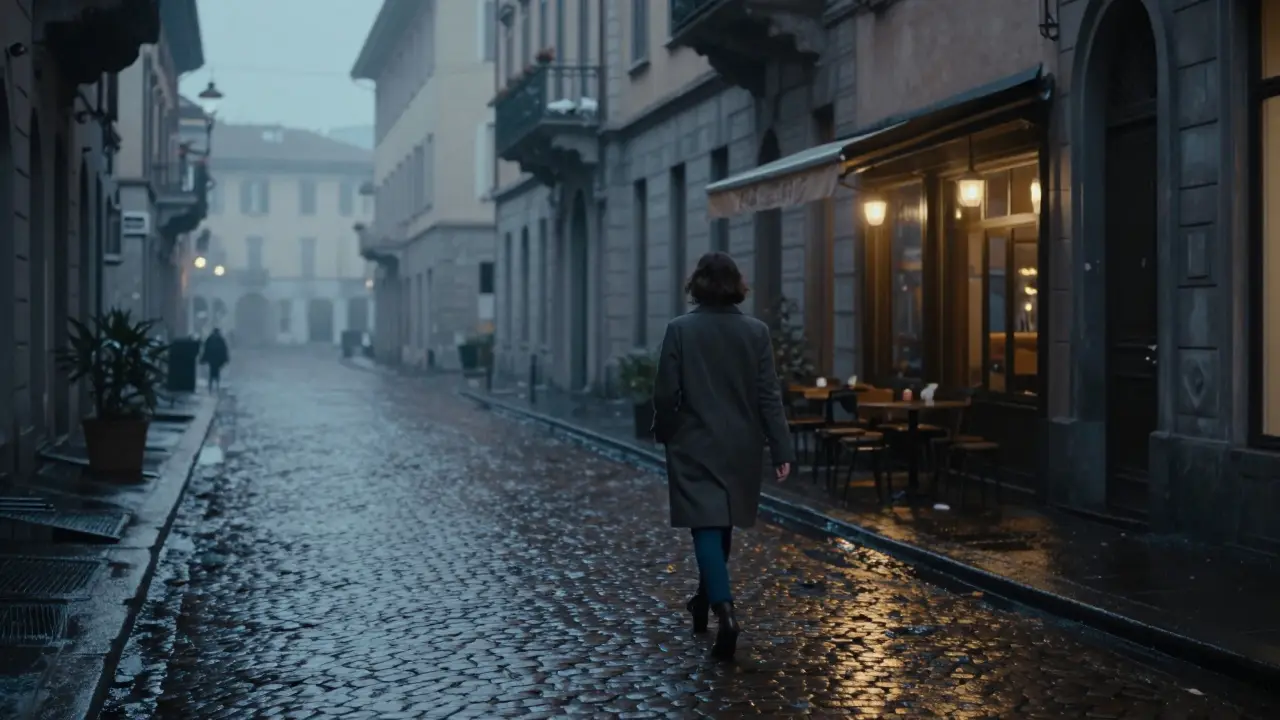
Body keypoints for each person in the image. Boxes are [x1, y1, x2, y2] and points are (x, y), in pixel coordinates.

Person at [651, 251, 794, 660]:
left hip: (694, 443)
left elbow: (664, 392)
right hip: (742, 445)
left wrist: (667, 431)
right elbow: (769, 395)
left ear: (696, 284)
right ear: (736, 285)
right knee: (720, 522)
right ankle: (703, 600)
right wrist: (781, 447)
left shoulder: (680, 330)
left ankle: (724, 611)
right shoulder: (756, 332)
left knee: (706, 526)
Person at [200, 328, 230, 394]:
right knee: (216, 373)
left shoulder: (210, 339)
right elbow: (224, 350)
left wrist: (204, 358)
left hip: (212, 359)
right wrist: (225, 359)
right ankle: (216, 386)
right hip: (217, 360)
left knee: (212, 372)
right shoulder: (220, 339)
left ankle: (211, 387)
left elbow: (206, 349)